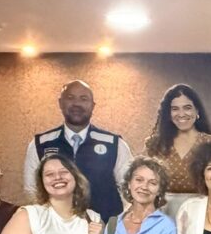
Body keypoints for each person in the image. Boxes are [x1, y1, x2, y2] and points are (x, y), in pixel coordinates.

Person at [24, 80, 133, 221]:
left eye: (84, 99)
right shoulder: (40, 144)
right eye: (70, 97)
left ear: (93, 106)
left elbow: (129, 188)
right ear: (60, 103)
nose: (77, 103)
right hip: (57, 227)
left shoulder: (114, 144)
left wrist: (120, 224)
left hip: (105, 227)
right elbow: (32, 190)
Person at [143, 83, 211, 218]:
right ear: (168, 114)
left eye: (187, 108)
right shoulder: (155, 144)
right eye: (175, 109)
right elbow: (142, 181)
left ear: (197, 111)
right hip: (161, 214)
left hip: (202, 214)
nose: (181, 114)